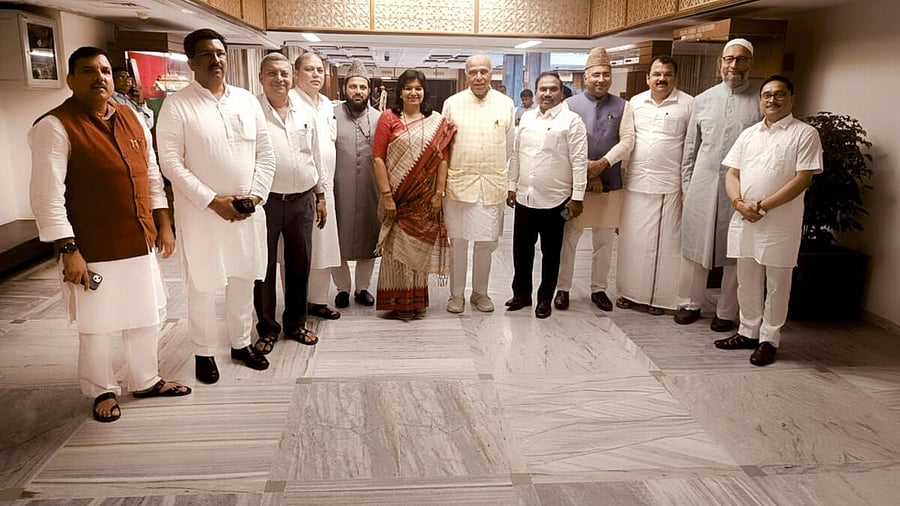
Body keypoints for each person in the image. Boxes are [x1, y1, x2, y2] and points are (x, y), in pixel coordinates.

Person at [30, 46, 191, 423]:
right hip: (92, 247)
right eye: (87, 71)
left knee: (146, 314)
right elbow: (46, 196)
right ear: (70, 80)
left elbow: (150, 176)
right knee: (97, 323)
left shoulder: (132, 118)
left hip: (138, 238)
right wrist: (69, 249)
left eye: (103, 70)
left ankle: (146, 379)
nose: (99, 77)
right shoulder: (54, 127)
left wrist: (164, 222)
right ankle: (100, 387)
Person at [157, 29, 275, 384]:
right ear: (192, 62)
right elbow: (170, 164)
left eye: (221, 53)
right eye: (207, 54)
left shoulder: (246, 101)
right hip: (202, 215)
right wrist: (213, 201)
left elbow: (265, 154)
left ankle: (240, 344)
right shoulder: (177, 105)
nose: (216, 60)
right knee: (204, 285)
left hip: (247, 212)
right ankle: (204, 352)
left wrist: (254, 196)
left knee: (242, 279)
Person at [718, 75, 822, 366]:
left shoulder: (805, 134)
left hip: (779, 221)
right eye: (766, 95)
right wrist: (739, 203)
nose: (772, 100)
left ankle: (769, 339)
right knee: (746, 278)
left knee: (778, 282)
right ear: (760, 100)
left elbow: (803, 179)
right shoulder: (749, 134)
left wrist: (762, 206)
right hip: (745, 217)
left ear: (792, 98)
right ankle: (748, 331)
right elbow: (732, 173)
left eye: (779, 94)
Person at [676, 38, 762, 332]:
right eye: (728, 59)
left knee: (734, 252)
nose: (734, 65)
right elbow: (691, 149)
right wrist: (686, 187)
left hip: (741, 187)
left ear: (750, 63)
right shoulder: (702, 100)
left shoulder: (759, 101)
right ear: (720, 63)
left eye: (741, 59)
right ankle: (689, 303)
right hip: (701, 184)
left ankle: (726, 312)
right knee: (693, 248)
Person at [252, 52, 324, 355]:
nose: (279, 79)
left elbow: (315, 155)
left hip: (302, 201)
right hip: (265, 203)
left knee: (299, 264)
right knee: (263, 268)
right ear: (261, 78)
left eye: (283, 74)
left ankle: (295, 324)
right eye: (271, 73)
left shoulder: (305, 112)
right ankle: (267, 328)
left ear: (292, 77)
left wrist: (320, 195)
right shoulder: (251, 111)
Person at [372, 69, 456, 320]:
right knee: (397, 251)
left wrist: (439, 193)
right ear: (400, 92)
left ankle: (417, 301)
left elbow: (443, 160)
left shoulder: (437, 121)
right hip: (397, 197)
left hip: (425, 198)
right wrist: (387, 195)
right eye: (408, 88)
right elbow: (378, 158)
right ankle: (398, 302)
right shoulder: (388, 118)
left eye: (418, 88)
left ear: (424, 91)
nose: (413, 92)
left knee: (418, 250)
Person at [555, 47, 634, 312]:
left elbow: (628, 140)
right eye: (596, 74)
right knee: (570, 238)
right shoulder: (569, 105)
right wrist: (586, 169)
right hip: (576, 185)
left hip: (610, 181)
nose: (601, 79)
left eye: (606, 74)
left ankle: (599, 289)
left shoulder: (624, 106)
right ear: (586, 76)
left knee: (604, 240)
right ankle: (563, 288)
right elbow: (564, 142)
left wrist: (602, 165)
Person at [616, 56, 693, 314]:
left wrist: (687, 186)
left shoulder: (688, 105)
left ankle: (659, 300)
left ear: (675, 78)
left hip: (669, 184)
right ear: (647, 77)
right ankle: (630, 293)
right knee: (633, 242)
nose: (661, 79)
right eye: (657, 74)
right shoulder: (635, 103)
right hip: (637, 181)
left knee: (667, 246)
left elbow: (692, 147)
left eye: (667, 74)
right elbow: (626, 139)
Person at [506, 71, 587, 319]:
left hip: (556, 200)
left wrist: (578, 197)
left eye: (553, 89)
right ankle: (521, 294)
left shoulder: (572, 121)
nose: (547, 94)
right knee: (521, 251)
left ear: (561, 93)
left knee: (551, 254)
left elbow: (579, 161)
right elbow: (517, 155)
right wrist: (511, 185)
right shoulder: (527, 118)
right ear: (536, 91)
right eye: (543, 89)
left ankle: (544, 299)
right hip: (525, 198)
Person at [441, 54, 515, 314]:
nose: (479, 77)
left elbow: (510, 147)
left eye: (483, 71)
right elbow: (444, 147)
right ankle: (457, 295)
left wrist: (507, 181)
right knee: (458, 242)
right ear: (466, 73)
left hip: (491, 185)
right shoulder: (452, 104)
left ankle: (480, 293)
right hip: (459, 185)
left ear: (492, 72)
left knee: (486, 244)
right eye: (473, 72)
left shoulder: (506, 104)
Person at [292, 52, 343, 320]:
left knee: (324, 246)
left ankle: (318, 300)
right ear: (296, 73)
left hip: (327, 189)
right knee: (298, 251)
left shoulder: (325, 104)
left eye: (319, 70)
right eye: (309, 70)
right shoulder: (289, 102)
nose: (315, 75)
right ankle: (297, 304)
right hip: (300, 189)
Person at [333, 60, 382, 309]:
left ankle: (362, 288)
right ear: (344, 89)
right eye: (353, 87)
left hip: (370, 190)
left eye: (363, 87)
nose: (358, 92)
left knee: (369, 239)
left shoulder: (380, 118)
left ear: (369, 90)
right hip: (337, 190)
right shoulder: (329, 115)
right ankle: (342, 288)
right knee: (334, 239)